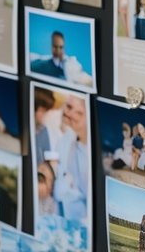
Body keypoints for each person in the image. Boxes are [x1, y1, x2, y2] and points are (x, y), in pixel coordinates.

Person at [54, 92, 89, 222]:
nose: (69, 114)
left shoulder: (91, 156)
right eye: (68, 107)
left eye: (79, 113)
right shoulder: (64, 141)